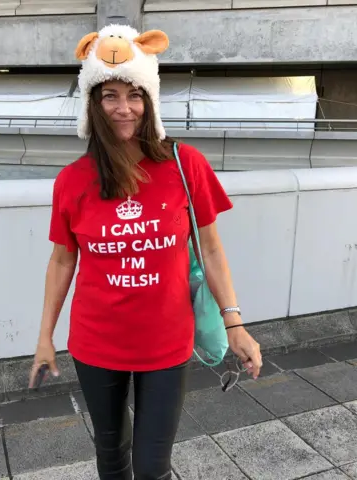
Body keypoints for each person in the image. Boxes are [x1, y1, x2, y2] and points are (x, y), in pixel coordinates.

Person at [29, 24, 263, 480]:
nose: (123, 108)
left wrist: (235, 323)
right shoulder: (73, 180)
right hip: (96, 344)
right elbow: (62, 261)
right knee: (111, 453)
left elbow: (211, 250)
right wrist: (44, 339)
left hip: (167, 343)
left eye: (134, 94)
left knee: (153, 465)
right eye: (109, 95)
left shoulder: (184, 164)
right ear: (93, 104)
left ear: (149, 100)